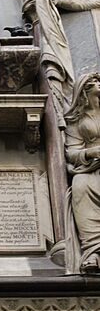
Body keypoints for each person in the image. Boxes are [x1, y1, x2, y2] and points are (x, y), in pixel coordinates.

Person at [65, 72, 100, 273]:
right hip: (90, 166)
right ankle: (93, 251)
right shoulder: (76, 120)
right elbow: (71, 152)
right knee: (79, 185)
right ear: (83, 90)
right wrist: (90, 152)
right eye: (94, 82)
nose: (98, 84)